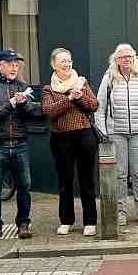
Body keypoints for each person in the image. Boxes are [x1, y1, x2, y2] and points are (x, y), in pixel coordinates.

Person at [95, 43, 138, 228]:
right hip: (117, 132)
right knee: (120, 174)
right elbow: (99, 106)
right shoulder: (109, 78)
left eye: (130, 56)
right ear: (116, 60)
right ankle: (121, 211)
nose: (127, 59)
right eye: (123, 56)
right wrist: (102, 130)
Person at [0, 49, 38, 242]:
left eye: (16, 64)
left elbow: (33, 112)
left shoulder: (22, 85)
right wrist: (11, 103)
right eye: (10, 63)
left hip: (20, 143)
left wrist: (23, 103)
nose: (15, 67)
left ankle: (23, 223)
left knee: (25, 185)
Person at [41, 47, 100, 237]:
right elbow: (49, 111)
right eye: (62, 61)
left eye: (69, 60)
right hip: (61, 139)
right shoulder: (48, 89)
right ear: (54, 65)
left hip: (84, 136)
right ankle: (66, 220)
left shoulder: (81, 83)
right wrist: (69, 98)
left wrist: (80, 96)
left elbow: (94, 105)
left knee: (87, 180)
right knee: (65, 181)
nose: (67, 64)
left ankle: (90, 221)